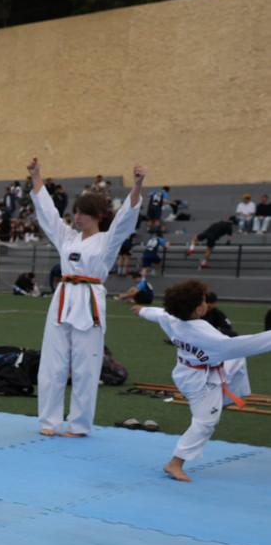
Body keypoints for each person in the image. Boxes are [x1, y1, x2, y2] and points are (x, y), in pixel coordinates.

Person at [28, 156, 143, 437]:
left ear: (98, 216)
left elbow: (125, 219)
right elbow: (48, 213)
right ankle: (49, 422)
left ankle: (79, 425)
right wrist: (36, 176)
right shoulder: (67, 237)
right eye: (76, 212)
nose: (78, 217)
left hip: (89, 301)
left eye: (84, 214)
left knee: (85, 367)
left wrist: (138, 185)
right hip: (63, 299)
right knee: (52, 364)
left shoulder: (107, 241)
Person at [135, 280, 271, 481]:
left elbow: (158, 313)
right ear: (198, 308)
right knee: (206, 422)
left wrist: (141, 310)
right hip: (198, 381)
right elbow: (247, 344)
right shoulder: (207, 335)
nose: (206, 303)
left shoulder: (172, 319)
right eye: (204, 301)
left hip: (190, 369)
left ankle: (225, 400)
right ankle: (175, 463)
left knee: (236, 359)